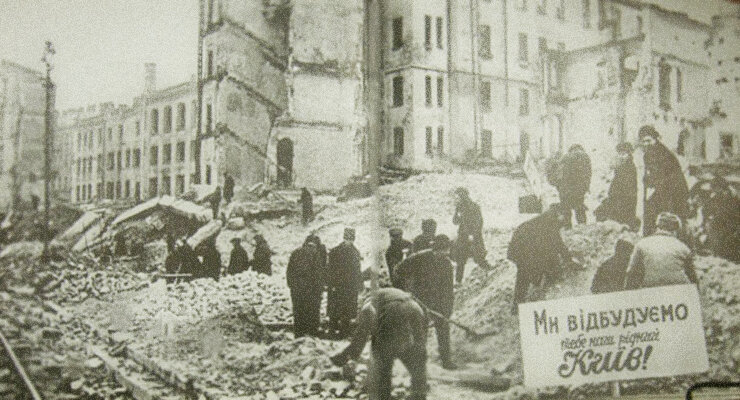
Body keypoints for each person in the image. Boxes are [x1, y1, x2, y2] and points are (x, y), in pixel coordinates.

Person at [330, 288, 428, 400]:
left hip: (393, 312)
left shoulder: (368, 305)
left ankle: (383, 396)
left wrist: (345, 356)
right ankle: (419, 394)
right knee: (416, 357)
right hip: (417, 309)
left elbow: (361, 336)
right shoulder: (389, 294)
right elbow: (421, 341)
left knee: (382, 360)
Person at [394, 235, 456, 370]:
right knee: (420, 331)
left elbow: (448, 289)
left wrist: (447, 309)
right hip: (419, 300)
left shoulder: (446, 264)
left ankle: (446, 360)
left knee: (443, 327)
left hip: (438, 302)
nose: (445, 253)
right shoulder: (420, 257)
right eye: (442, 251)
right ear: (435, 249)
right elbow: (398, 270)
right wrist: (408, 288)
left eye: (447, 251)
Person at [507, 204, 574, 307]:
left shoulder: (548, 218)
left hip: (521, 247)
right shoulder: (550, 222)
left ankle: (518, 304)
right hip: (523, 248)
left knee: (526, 274)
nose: (565, 221)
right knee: (527, 273)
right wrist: (568, 259)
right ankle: (524, 304)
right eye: (565, 217)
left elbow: (554, 244)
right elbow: (557, 244)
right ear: (559, 214)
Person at [624, 212, 698, 290]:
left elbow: (631, 273)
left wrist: (628, 294)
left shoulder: (642, 244)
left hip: (651, 290)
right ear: (675, 230)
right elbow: (693, 276)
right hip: (677, 292)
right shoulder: (683, 248)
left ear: (657, 227)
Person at [639, 125, 690, 237]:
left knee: (668, 216)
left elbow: (667, 176)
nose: (646, 143)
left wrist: (653, 183)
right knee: (652, 211)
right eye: (643, 141)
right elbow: (651, 174)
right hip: (662, 187)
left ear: (655, 139)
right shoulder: (648, 154)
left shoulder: (663, 153)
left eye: (649, 140)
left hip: (674, 189)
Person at [327, 228, 363, 338]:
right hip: (337, 285)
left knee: (347, 309)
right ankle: (332, 330)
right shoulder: (335, 251)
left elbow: (357, 270)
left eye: (351, 239)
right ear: (344, 238)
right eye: (348, 239)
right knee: (335, 309)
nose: (350, 241)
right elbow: (330, 269)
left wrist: (359, 283)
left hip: (350, 286)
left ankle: (344, 331)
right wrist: (331, 283)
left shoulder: (355, 252)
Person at [287, 237, 324, 337]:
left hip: (297, 290)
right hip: (312, 291)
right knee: (312, 312)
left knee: (298, 312)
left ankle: (299, 335)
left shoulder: (295, 253)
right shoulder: (315, 254)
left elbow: (289, 272)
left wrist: (292, 286)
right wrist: (320, 289)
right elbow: (319, 274)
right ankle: (312, 335)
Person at [594, 143, 638, 228]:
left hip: (624, 201)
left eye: (624, 154)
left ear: (629, 154)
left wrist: (614, 197)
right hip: (618, 199)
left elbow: (626, 186)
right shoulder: (622, 166)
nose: (621, 156)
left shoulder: (629, 167)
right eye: (620, 154)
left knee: (620, 222)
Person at [451, 187, 489, 283]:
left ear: (466, 195)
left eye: (461, 195)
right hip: (463, 236)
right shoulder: (459, 207)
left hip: (474, 236)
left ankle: (489, 275)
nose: (460, 198)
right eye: (459, 196)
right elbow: (455, 222)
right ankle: (458, 281)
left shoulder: (474, 206)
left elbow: (479, 222)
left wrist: (473, 235)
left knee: (479, 257)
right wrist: (457, 213)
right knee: (461, 259)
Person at [703, 176, 740, 262]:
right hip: (725, 224)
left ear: (719, 187)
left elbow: (727, 213)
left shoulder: (731, 198)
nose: (712, 191)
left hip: (730, 225)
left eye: (714, 188)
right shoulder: (721, 196)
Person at [558, 144, 592, 227]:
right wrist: (586, 187)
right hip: (579, 188)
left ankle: (567, 228)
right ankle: (582, 227)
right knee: (579, 208)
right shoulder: (585, 157)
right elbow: (588, 174)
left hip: (565, 188)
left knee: (566, 210)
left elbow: (559, 174)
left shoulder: (565, 157)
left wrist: (560, 187)